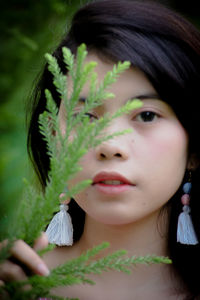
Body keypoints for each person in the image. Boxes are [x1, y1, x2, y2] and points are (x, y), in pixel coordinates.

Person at [1, 0, 200, 299]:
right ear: (53, 137)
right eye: (85, 116)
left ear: (195, 146)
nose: (110, 145)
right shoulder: (17, 284)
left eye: (146, 115)